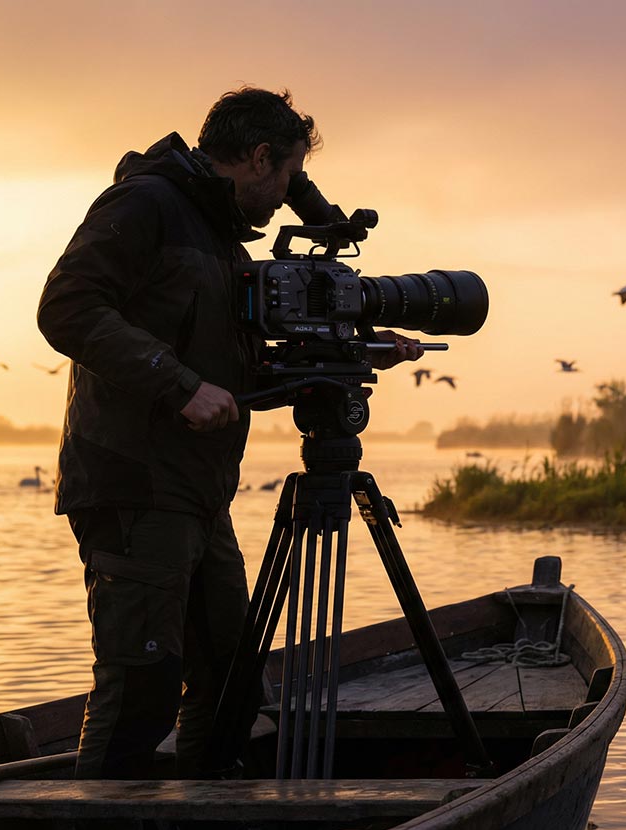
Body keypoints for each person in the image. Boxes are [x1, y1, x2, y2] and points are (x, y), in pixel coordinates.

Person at [37, 87, 423, 780]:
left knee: (232, 680)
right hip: (134, 486)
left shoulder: (219, 236)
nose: (286, 197)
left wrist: (352, 354)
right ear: (259, 157)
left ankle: (201, 812)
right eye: (288, 176)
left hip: (197, 494)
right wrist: (178, 384)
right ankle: (96, 819)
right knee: (142, 688)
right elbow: (65, 307)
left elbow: (234, 379)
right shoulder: (147, 204)